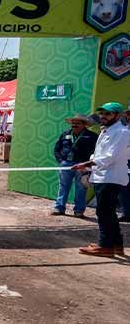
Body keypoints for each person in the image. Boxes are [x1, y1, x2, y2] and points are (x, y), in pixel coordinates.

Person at [74, 102, 130, 257]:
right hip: (102, 176)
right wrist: (88, 166)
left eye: (108, 113)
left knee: (104, 212)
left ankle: (105, 246)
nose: (103, 116)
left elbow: (111, 156)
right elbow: (98, 154)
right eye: (102, 113)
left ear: (118, 115)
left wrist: (88, 164)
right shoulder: (106, 131)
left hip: (111, 177)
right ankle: (116, 245)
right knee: (108, 212)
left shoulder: (122, 132)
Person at [50, 114, 98, 217]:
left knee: (81, 188)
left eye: (78, 123)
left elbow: (96, 151)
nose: (74, 125)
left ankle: (79, 211)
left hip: (83, 165)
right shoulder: (65, 134)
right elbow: (57, 148)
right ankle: (59, 208)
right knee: (63, 186)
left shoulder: (92, 136)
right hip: (66, 164)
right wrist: (61, 161)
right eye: (73, 123)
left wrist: (88, 164)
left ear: (84, 124)